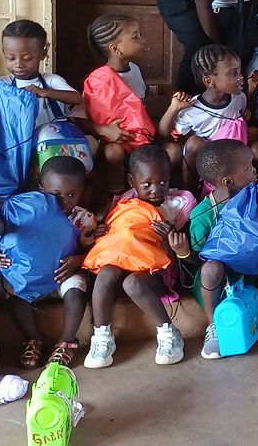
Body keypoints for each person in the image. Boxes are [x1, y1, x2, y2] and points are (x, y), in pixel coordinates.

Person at [182, 140, 258, 359]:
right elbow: (200, 260)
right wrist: (183, 252)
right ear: (228, 180)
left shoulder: (256, 196)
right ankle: (215, 325)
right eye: (247, 168)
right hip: (222, 279)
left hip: (253, 270)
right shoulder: (203, 214)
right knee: (211, 269)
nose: (254, 170)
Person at [83, 147, 189, 369]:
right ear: (132, 180)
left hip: (154, 276)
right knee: (106, 273)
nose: (155, 190)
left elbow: (180, 251)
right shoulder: (122, 203)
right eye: (147, 184)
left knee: (132, 283)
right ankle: (102, 337)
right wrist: (102, 232)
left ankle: (168, 332)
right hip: (121, 268)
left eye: (163, 182)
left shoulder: (178, 204)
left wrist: (169, 236)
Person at [0, 157, 91, 368]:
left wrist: (78, 260)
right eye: (54, 195)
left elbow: (94, 251)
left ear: (82, 191)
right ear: (41, 188)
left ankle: (67, 341)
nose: (62, 200)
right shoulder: (24, 213)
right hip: (28, 278)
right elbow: (0, 240)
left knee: (76, 288)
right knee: (12, 291)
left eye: (71, 194)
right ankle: (33, 337)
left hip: (62, 276)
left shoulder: (83, 219)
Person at [72, 14, 157, 205]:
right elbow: (78, 119)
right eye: (135, 37)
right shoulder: (99, 79)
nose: (142, 40)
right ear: (115, 48)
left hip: (140, 140)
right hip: (112, 142)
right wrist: (105, 130)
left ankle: (147, 198)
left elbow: (140, 97)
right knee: (113, 152)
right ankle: (116, 196)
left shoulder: (134, 70)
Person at [157, 44, 258, 188]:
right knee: (194, 143)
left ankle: (251, 187)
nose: (241, 77)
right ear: (209, 81)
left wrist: (252, 90)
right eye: (233, 73)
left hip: (232, 154)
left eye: (240, 71)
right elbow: (163, 135)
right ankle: (191, 188)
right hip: (207, 163)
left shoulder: (239, 98)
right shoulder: (191, 108)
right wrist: (174, 108)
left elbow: (245, 117)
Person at [0, 19, 83, 130]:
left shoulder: (51, 81)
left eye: (27, 59)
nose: (18, 64)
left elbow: (76, 98)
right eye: (11, 58)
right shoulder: (4, 83)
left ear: (43, 54)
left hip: (52, 144)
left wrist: (44, 92)